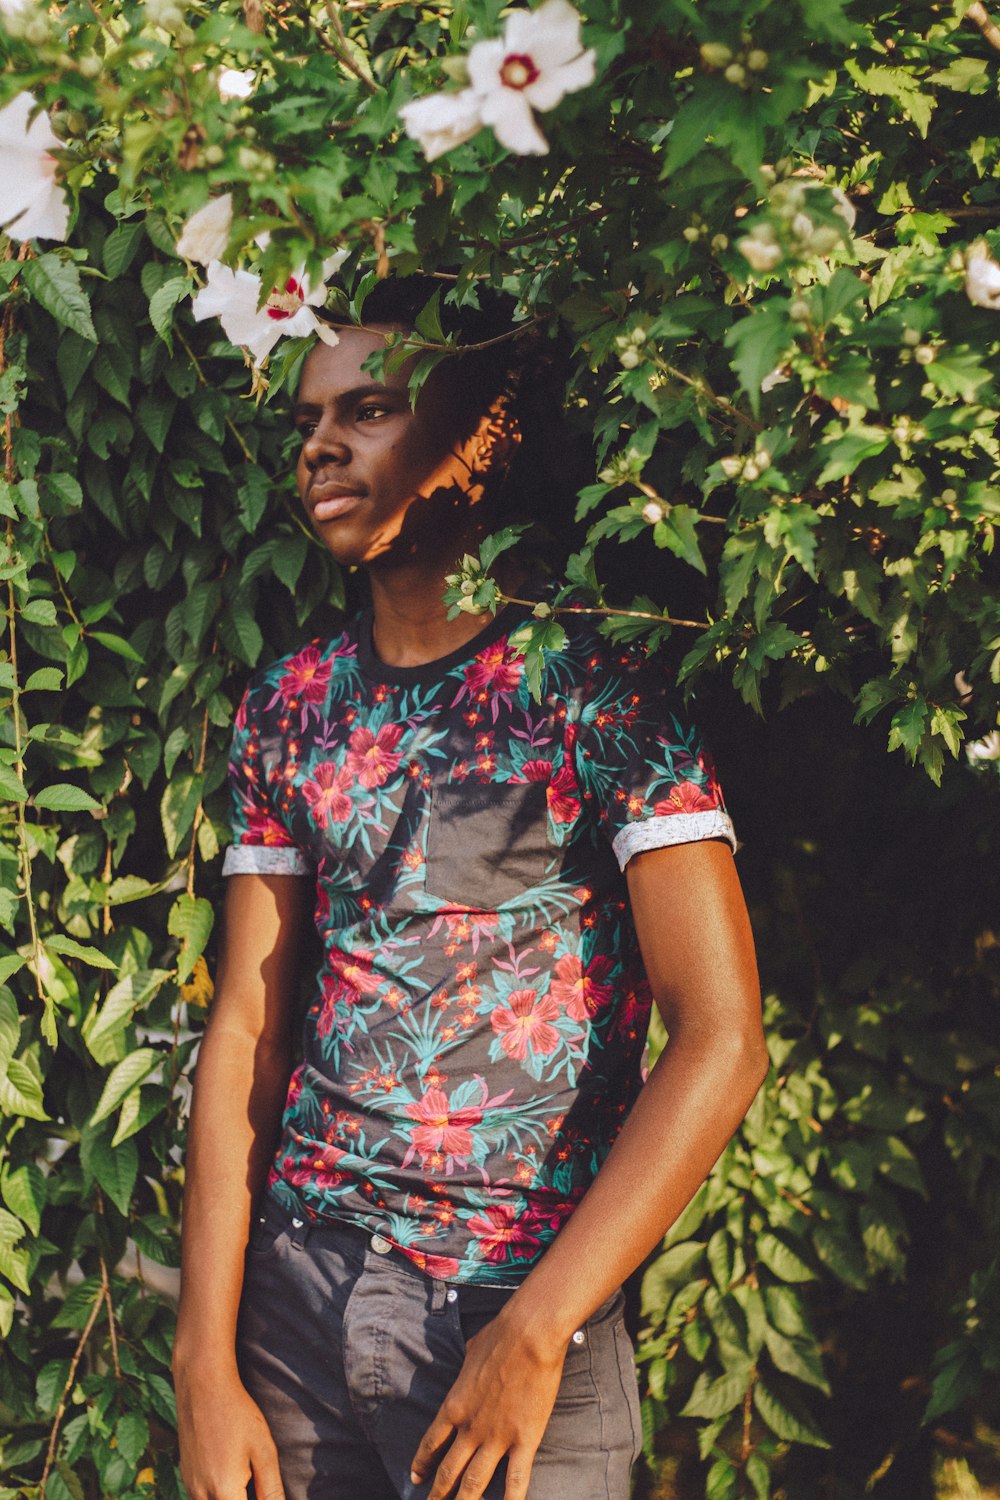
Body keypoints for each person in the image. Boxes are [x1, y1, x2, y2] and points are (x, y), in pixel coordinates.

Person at [171, 277, 769, 1500]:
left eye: (372, 409)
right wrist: (203, 1364)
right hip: (292, 1314)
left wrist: (539, 1328)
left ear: (479, 438)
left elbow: (720, 1038)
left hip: (508, 1324)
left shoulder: (597, 691)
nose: (325, 444)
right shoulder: (290, 706)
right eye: (309, 420)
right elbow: (246, 1028)